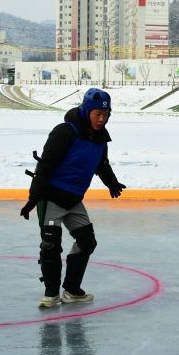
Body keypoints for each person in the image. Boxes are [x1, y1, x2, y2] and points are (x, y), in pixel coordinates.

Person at [20, 88, 126, 308]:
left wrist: (112, 183)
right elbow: (45, 165)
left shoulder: (100, 139)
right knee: (51, 245)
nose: (102, 119)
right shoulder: (65, 132)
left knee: (88, 242)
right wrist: (33, 198)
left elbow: (101, 165)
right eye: (97, 114)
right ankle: (51, 295)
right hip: (50, 198)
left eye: (106, 115)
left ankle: (71, 290)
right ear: (87, 110)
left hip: (74, 200)